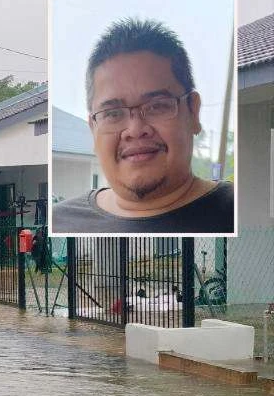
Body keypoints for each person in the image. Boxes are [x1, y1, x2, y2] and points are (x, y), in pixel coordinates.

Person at [52, 17, 234, 234]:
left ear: (193, 112)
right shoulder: (59, 222)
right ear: (93, 128)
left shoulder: (237, 211)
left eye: (157, 106)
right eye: (112, 113)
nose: (136, 130)